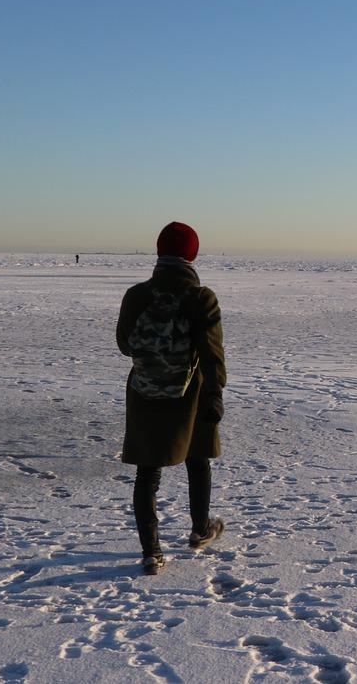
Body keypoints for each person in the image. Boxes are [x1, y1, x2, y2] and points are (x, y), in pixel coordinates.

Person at [116, 222, 227, 575]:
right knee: (197, 458)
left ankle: (152, 553)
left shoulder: (136, 295)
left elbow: (123, 345)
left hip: (145, 393)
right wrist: (215, 390)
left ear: (159, 252)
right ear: (192, 254)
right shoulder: (201, 298)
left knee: (147, 472)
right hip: (190, 394)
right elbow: (211, 353)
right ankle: (199, 530)